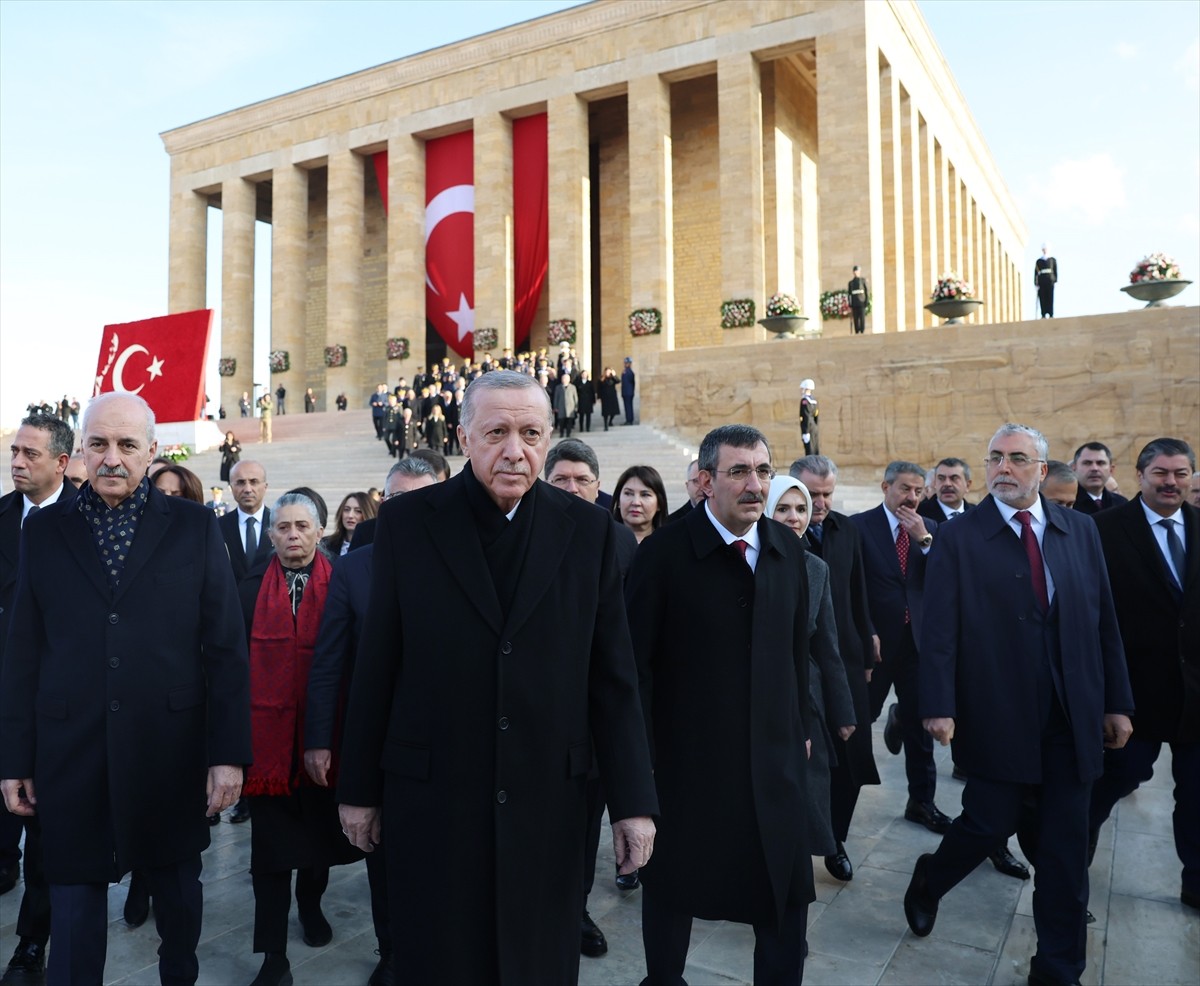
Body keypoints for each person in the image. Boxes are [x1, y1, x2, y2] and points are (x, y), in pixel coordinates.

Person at [336, 370, 657, 984]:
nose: (516, 449)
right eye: (497, 432)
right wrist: (358, 788)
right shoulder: (407, 525)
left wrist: (633, 804)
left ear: (550, 435)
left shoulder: (590, 532)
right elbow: (377, 661)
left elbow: (613, 679)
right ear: (463, 436)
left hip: (549, 802)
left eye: (532, 432)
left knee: (537, 960)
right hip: (435, 797)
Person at [0, 392, 251, 986]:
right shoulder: (44, 532)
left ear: (152, 450)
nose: (112, 458)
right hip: (69, 755)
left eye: (127, 445)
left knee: (179, 913)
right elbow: (23, 652)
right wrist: (15, 758)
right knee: (74, 919)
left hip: (169, 753)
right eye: (99, 444)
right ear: (79, 451)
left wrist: (227, 755)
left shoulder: (193, 526)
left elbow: (224, 648)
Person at [905, 423, 1134, 986]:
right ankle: (930, 880)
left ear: (1040, 468)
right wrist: (938, 704)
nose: (1003, 468)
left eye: (1017, 459)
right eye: (995, 459)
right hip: (997, 713)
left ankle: (1058, 971)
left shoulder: (1080, 530)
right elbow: (938, 631)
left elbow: (1104, 622)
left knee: (1063, 851)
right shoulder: (959, 536)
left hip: (1071, 718)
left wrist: (1116, 703)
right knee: (987, 825)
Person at [626, 424, 814, 986]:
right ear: (706, 481)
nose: (755, 484)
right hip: (688, 772)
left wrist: (800, 726)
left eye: (762, 470)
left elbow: (795, 654)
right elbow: (635, 670)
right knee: (672, 893)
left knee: (784, 905)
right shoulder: (662, 555)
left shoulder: (789, 550)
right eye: (739, 472)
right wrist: (641, 768)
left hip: (774, 768)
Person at [305, 459, 437, 986]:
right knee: (384, 861)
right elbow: (328, 663)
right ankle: (392, 953)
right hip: (384, 746)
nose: (405, 508)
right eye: (395, 498)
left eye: (419, 497)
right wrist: (318, 740)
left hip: (455, 745)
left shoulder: (469, 558)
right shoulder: (355, 569)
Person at [237, 493, 363, 986]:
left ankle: (310, 906)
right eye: (283, 527)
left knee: (317, 842)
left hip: (323, 741)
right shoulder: (247, 589)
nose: (292, 535)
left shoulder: (342, 585)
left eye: (302, 527)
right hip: (266, 750)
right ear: (271, 535)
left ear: (319, 531)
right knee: (268, 853)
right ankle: (272, 955)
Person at [1089, 438, 1198, 911]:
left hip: (1195, 695)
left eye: (1180, 474)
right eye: (1161, 473)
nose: (1171, 482)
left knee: (1196, 795)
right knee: (1115, 781)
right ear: (1140, 475)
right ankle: (1069, 864)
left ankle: (1195, 882)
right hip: (1133, 694)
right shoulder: (1103, 530)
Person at [542, 438, 642, 955]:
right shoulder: (529, 538)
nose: (573, 488)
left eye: (582, 480)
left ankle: (575, 909)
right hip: (542, 717)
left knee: (585, 825)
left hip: (596, 718)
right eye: (561, 479)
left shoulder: (620, 542)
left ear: (600, 488)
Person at [0, 413, 76, 985]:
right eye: (15, 451)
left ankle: (32, 943)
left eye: (30, 453)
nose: (17, 461)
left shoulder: (85, 522)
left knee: (46, 832)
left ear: (61, 462)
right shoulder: (0, 519)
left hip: (56, 706)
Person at [789, 454, 880, 883]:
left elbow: (858, 589)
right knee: (814, 761)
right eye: (812, 494)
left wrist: (869, 637)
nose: (820, 503)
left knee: (853, 758)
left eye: (826, 495)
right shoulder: (783, 539)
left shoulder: (848, 531)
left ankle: (835, 838)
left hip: (845, 662)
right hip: (805, 669)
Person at [851, 462, 950, 835]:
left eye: (919, 491)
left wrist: (924, 539)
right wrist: (865, 633)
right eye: (906, 489)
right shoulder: (858, 527)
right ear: (885, 486)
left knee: (921, 726)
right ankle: (843, 795)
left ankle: (921, 802)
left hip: (918, 646)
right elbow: (851, 586)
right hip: (874, 646)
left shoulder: (933, 531)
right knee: (861, 722)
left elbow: (945, 578)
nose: (912, 498)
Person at [766, 475, 856, 864]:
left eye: (800, 509)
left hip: (807, 693)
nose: (794, 517)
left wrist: (843, 709)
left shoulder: (816, 568)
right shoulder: (749, 562)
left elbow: (827, 643)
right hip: (761, 689)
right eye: (783, 508)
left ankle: (826, 845)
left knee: (812, 780)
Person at [220, 461, 274, 585]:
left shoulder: (280, 525)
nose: (248, 489)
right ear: (231, 487)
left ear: (265, 486)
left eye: (254, 482)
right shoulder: (218, 527)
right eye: (240, 482)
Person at [612, 464, 667, 544]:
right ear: (618, 501)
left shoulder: (670, 542)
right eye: (628, 493)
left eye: (645, 495)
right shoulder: (602, 541)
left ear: (659, 504)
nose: (636, 502)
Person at [1071, 441, 1127, 514]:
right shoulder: (1067, 503)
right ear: (1074, 468)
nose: (1094, 468)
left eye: (1100, 463)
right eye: (1087, 463)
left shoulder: (1121, 504)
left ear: (1111, 469)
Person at [917, 458, 973, 522]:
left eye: (954, 478)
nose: (947, 484)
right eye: (941, 478)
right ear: (935, 483)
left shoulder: (978, 513)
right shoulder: (919, 515)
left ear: (968, 485)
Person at [320, 492, 376, 557]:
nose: (350, 515)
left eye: (358, 511)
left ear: (367, 514)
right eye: (346, 509)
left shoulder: (373, 547)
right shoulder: (325, 545)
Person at [665, 459, 703, 524]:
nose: (702, 487)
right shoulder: (672, 523)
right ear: (687, 486)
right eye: (696, 481)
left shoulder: (725, 518)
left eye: (708, 481)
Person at [553, 371, 578, 438]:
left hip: (570, 407)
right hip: (561, 407)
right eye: (563, 379)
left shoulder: (573, 387)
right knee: (561, 421)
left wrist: (576, 406)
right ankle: (561, 433)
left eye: (566, 379)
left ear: (569, 380)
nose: (565, 380)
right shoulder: (558, 387)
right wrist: (555, 407)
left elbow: (575, 397)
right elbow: (556, 397)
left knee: (569, 422)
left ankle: (568, 433)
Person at [1035, 243, 1057, 318]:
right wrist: (1036, 283)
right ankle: (1043, 314)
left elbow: (1055, 271)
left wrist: (1055, 280)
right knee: (1042, 297)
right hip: (1042, 281)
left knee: (1050, 297)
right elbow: (1036, 273)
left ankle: (1051, 314)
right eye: (1044, 249)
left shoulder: (1052, 260)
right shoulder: (1038, 261)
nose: (1045, 250)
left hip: (1050, 281)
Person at [799, 378, 819, 455]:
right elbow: (816, 415)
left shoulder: (805, 400)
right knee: (815, 449)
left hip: (808, 428)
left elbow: (806, 416)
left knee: (809, 451)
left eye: (802, 388)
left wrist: (806, 432)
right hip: (814, 427)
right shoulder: (813, 400)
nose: (801, 390)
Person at [849, 265, 870, 334]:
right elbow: (849, 294)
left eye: (857, 271)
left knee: (862, 318)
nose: (856, 272)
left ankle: (862, 330)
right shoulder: (851, 283)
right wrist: (850, 304)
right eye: (855, 271)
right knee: (856, 318)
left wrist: (866, 301)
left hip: (861, 302)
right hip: (854, 303)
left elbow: (866, 291)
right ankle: (857, 331)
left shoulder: (862, 281)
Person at [599, 367, 620, 431]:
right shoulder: (602, 379)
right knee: (605, 412)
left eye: (609, 372)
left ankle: (610, 421)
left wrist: (614, 375)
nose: (608, 373)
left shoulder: (612, 378)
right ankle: (605, 425)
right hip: (605, 397)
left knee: (613, 411)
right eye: (607, 372)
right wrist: (599, 397)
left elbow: (618, 381)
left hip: (612, 396)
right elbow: (599, 388)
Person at [620, 356, 636, 425]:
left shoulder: (628, 372)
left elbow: (632, 382)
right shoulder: (626, 371)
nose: (625, 364)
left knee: (628, 406)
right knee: (627, 406)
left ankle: (629, 420)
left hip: (628, 392)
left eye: (627, 363)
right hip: (627, 392)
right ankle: (629, 419)